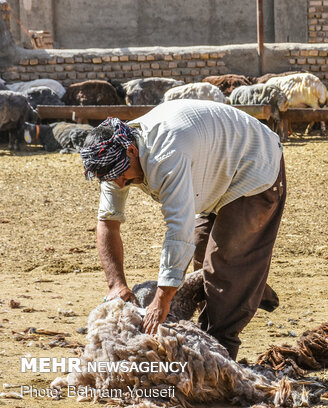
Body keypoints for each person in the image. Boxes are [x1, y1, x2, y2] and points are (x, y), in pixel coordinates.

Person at [80, 99, 286, 360]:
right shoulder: (114, 163)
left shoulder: (166, 154)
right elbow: (108, 222)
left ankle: (218, 360)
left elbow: (179, 229)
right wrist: (116, 285)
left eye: (122, 174)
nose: (120, 183)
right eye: (112, 179)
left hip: (254, 165)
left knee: (223, 272)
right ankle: (248, 283)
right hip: (214, 173)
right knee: (204, 259)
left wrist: (161, 301)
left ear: (132, 150)